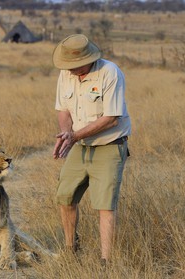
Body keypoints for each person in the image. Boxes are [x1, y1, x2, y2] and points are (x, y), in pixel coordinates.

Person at [52, 34, 131, 263]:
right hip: (80, 143)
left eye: (76, 65)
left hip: (109, 144)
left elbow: (111, 118)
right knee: (64, 196)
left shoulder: (109, 72)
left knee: (104, 204)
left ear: (90, 58)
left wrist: (74, 135)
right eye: (68, 65)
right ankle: (71, 249)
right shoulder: (65, 74)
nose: (72, 70)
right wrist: (66, 133)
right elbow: (63, 110)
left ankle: (106, 261)